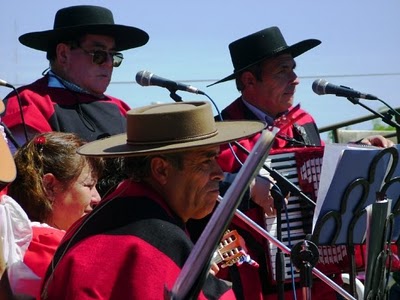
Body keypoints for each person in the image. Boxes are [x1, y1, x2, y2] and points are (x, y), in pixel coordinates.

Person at [203, 26, 395, 300]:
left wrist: (361, 150)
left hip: (314, 269)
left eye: (293, 69)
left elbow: (320, 171)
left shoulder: (303, 123)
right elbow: (200, 189)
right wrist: (246, 189)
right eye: (282, 71)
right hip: (253, 276)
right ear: (248, 80)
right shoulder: (222, 132)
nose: (295, 79)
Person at [40, 101, 266, 300]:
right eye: (206, 160)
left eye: (216, 157)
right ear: (161, 170)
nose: (219, 173)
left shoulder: (123, 208)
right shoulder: (152, 235)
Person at [1, 131, 103, 298]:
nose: (97, 198)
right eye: (88, 185)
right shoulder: (56, 251)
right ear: (50, 186)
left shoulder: (18, 239)